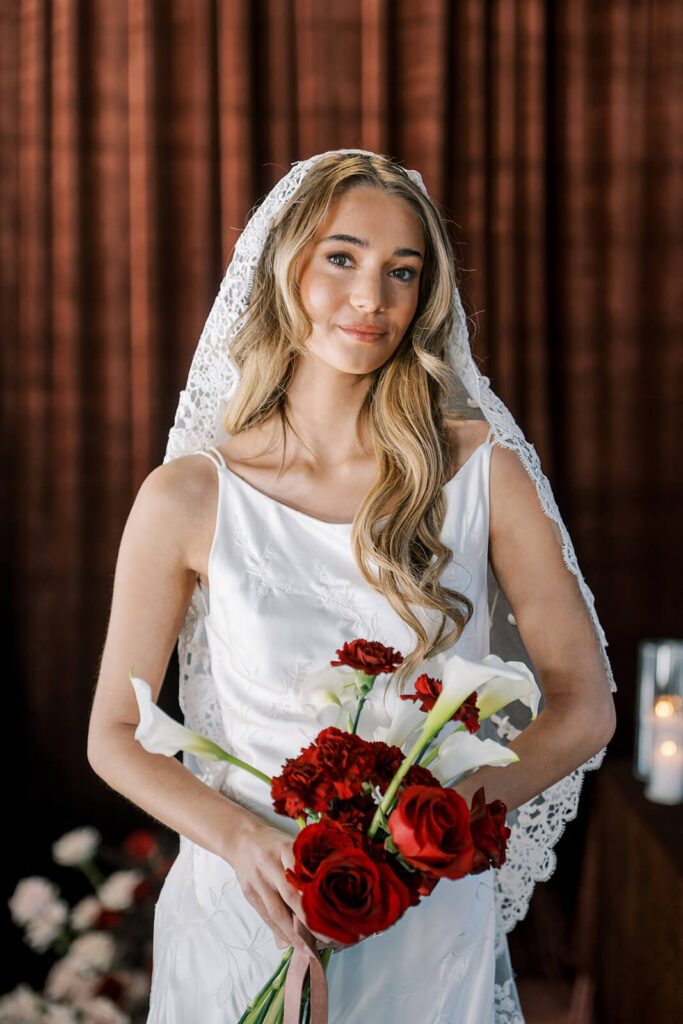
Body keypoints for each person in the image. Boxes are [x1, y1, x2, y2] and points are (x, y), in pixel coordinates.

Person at [87, 150, 617, 1023]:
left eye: (400, 272)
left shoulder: (482, 474)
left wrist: (413, 842)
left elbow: (583, 704)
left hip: (424, 919)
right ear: (284, 266)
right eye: (342, 257)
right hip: (244, 904)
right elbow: (114, 732)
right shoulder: (187, 495)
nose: (371, 296)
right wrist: (241, 842)